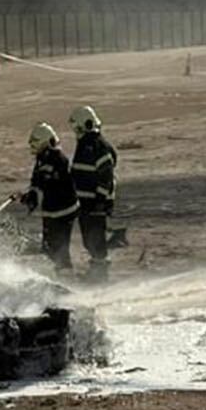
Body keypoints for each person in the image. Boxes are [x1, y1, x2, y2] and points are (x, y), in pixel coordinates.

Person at [17, 122, 78, 270]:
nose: (33, 146)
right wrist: (29, 196)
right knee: (50, 247)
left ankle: (66, 274)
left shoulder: (56, 159)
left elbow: (43, 183)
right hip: (53, 211)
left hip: (62, 212)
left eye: (35, 142)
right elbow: (37, 182)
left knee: (59, 250)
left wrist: (29, 198)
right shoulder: (43, 158)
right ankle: (62, 271)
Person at [68, 104, 118, 283]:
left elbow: (106, 177)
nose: (76, 132)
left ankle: (100, 276)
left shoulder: (99, 146)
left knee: (96, 240)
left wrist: (100, 201)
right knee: (89, 240)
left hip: (95, 204)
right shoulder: (84, 145)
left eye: (78, 128)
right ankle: (96, 271)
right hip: (85, 203)